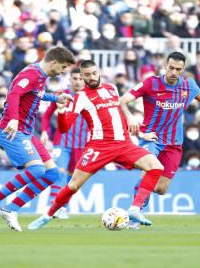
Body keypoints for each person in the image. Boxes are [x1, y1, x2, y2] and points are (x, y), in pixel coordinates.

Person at [28, 60, 165, 230]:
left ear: (98, 71)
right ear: (82, 77)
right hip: (99, 147)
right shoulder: (80, 97)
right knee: (73, 185)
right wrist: (62, 111)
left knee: (156, 167)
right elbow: (64, 128)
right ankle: (47, 216)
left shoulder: (112, 88)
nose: (91, 77)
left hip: (124, 143)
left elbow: (119, 116)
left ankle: (135, 209)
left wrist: (140, 133)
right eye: (87, 75)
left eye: (94, 73)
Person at [120, 51, 200, 228]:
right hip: (151, 138)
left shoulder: (189, 86)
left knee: (161, 188)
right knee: (150, 169)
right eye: (171, 68)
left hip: (174, 144)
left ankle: (139, 200)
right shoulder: (150, 84)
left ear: (183, 69)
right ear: (164, 66)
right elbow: (122, 101)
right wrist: (130, 118)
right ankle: (135, 210)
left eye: (178, 69)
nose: (174, 72)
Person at [0, 46, 76, 232]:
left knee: (54, 174)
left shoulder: (40, 76)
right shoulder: (31, 74)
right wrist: (13, 119)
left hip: (27, 133)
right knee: (37, 169)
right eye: (63, 68)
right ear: (54, 62)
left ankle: (10, 209)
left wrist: (56, 98)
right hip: (13, 131)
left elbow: (35, 95)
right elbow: (14, 93)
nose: (63, 72)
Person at [40, 68, 87, 219]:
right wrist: (45, 131)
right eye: (75, 78)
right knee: (59, 173)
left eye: (81, 78)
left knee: (74, 179)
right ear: (70, 79)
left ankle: (63, 207)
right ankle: (54, 206)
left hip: (82, 144)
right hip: (62, 142)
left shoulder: (91, 96)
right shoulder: (61, 94)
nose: (78, 81)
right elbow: (46, 116)